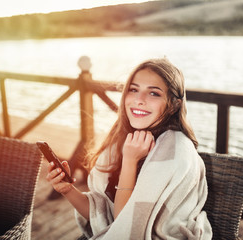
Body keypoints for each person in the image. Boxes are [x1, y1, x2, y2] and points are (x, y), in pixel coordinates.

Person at [46, 58, 212, 239]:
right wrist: (68, 190)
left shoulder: (175, 152)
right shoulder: (123, 140)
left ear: (174, 104)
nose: (139, 100)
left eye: (154, 93)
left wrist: (130, 160)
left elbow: (125, 227)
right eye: (133, 90)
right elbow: (103, 217)